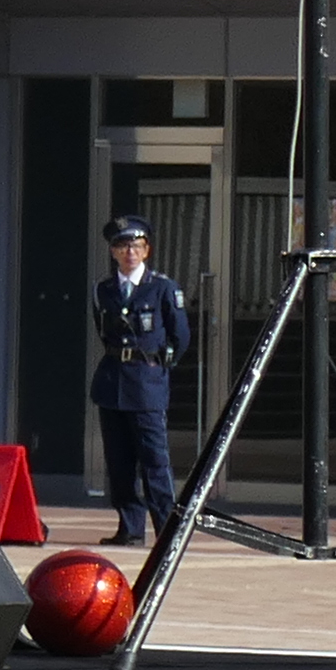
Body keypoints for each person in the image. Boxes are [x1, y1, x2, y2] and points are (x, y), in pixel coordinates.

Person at [91, 212, 194, 546]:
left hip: (146, 384)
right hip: (112, 383)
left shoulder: (162, 288)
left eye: (135, 246)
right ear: (113, 252)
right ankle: (130, 527)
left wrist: (159, 367)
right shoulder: (104, 290)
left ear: (146, 250)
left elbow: (180, 337)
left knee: (154, 460)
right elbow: (103, 331)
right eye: (122, 246)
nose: (129, 252)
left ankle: (166, 529)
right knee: (119, 462)